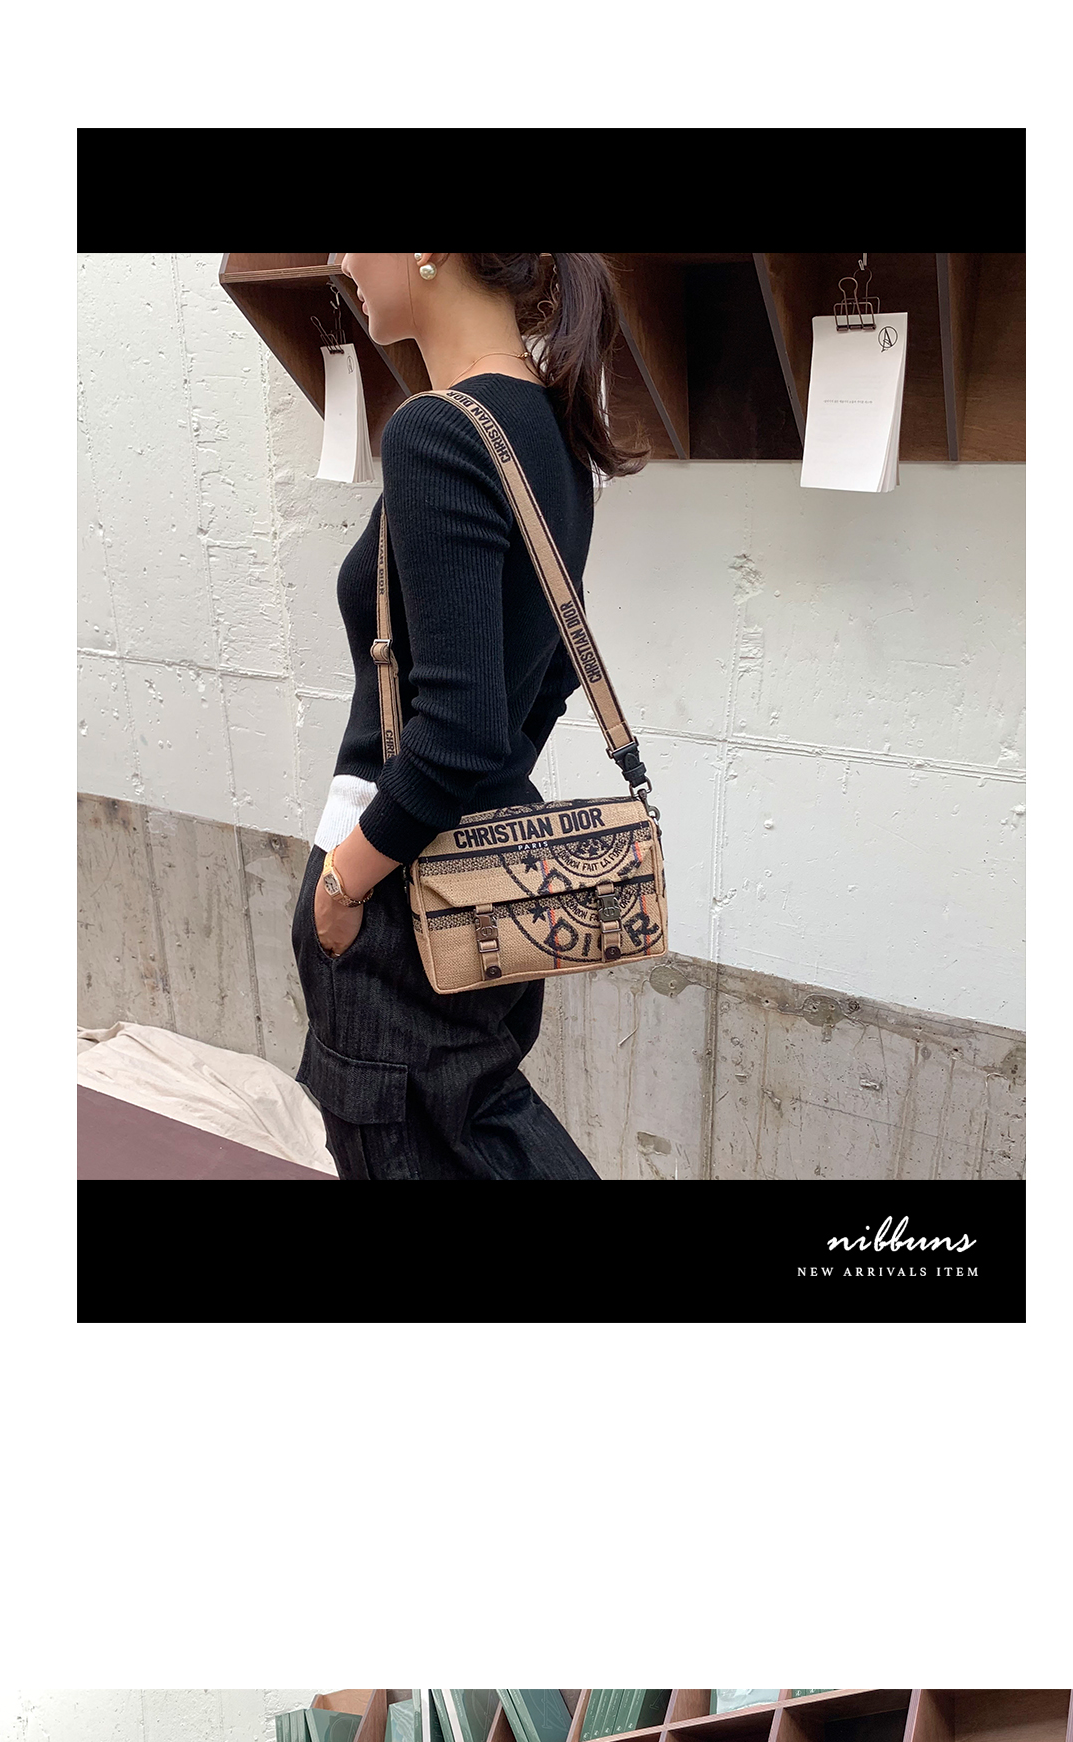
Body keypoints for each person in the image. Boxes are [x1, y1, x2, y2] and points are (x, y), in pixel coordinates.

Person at [291, 249, 649, 1183]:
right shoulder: (552, 432)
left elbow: (455, 732)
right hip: (485, 880)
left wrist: (342, 885)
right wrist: (487, 796)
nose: (340, 260)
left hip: (402, 895)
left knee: (416, 1146)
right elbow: (548, 678)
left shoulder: (436, 431)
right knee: (477, 1126)